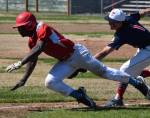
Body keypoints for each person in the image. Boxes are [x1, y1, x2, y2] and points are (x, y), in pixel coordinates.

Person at [6, 11, 150, 108]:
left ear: (30, 25)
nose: (19, 30)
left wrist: (19, 62)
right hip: (65, 61)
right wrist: (24, 78)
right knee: (50, 82)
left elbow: (39, 47)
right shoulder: (32, 40)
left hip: (77, 54)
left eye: (21, 27)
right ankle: (79, 95)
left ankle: (136, 82)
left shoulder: (42, 27)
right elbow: (34, 57)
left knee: (105, 73)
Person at [94, 8, 150, 107]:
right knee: (131, 73)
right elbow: (143, 12)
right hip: (144, 48)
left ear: (120, 22)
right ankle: (122, 96)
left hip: (148, 50)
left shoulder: (122, 33)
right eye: (110, 21)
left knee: (124, 71)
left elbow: (105, 52)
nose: (110, 24)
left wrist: (88, 62)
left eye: (113, 22)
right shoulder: (128, 18)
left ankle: (118, 99)